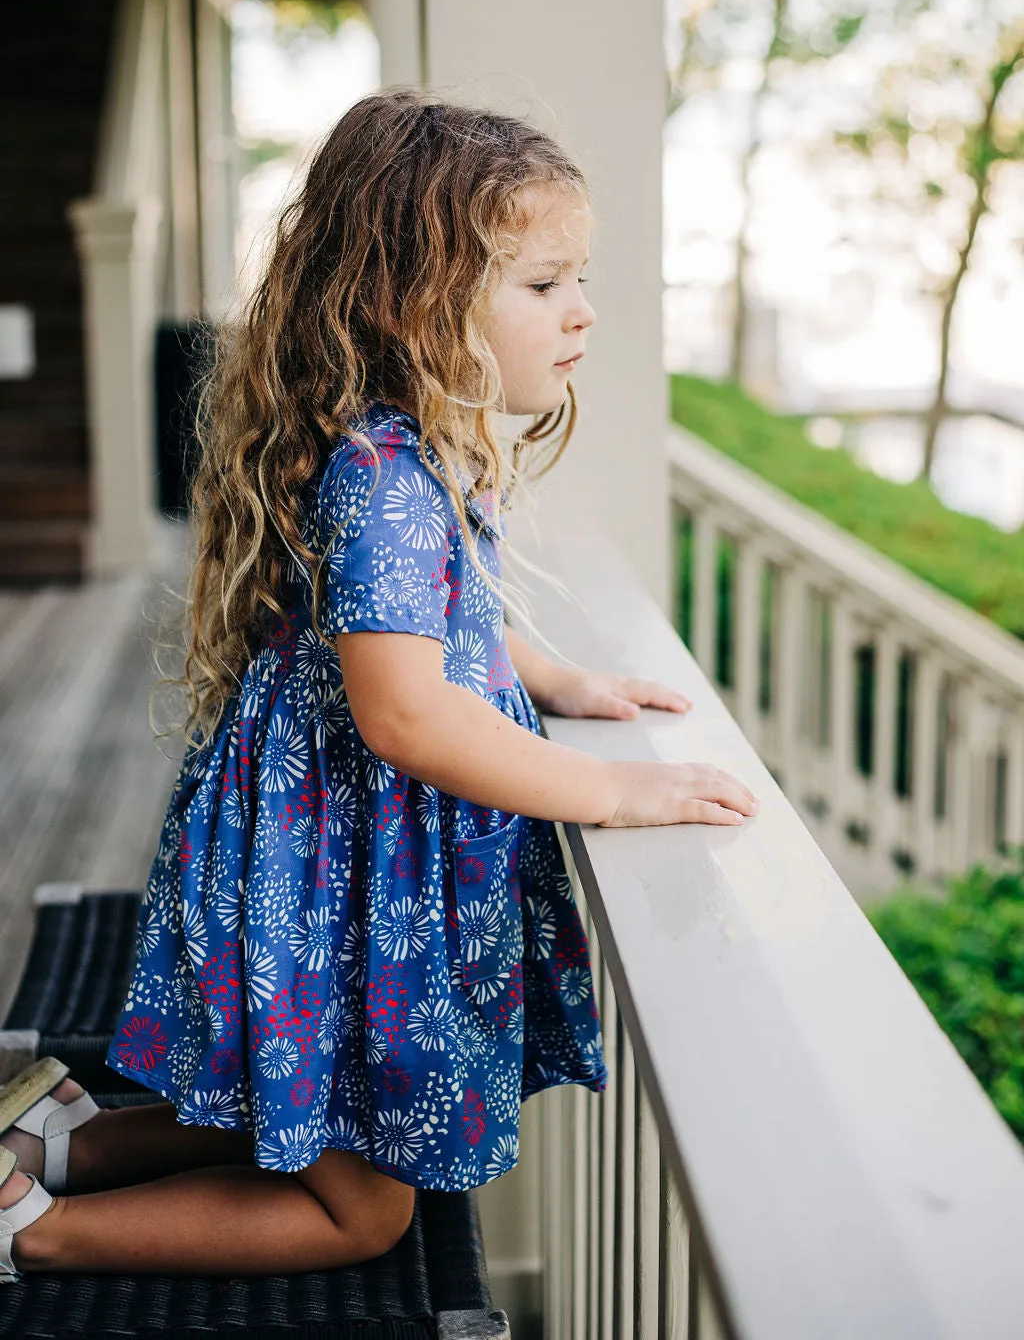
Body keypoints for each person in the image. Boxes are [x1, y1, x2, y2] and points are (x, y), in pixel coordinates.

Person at [0, 90, 758, 1280]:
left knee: (301, 1123)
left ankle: (54, 1146)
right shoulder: (386, 476)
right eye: (545, 285)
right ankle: (34, 1234)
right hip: (344, 871)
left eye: (579, 279)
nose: (584, 314)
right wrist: (613, 797)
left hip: (333, 862)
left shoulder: (408, 444)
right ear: (419, 300)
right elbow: (402, 709)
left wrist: (555, 679)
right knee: (363, 1212)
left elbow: (435, 634)